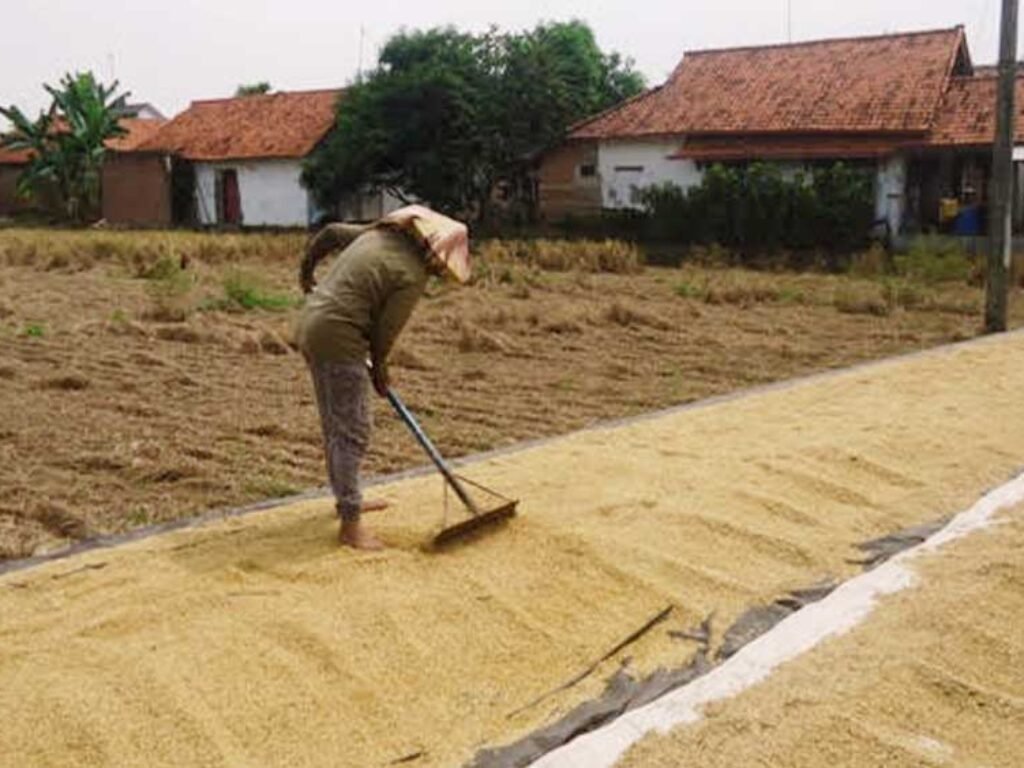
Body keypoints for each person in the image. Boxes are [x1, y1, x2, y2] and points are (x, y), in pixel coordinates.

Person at [295, 206, 471, 550]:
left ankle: (350, 499)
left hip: (313, 324)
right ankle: (350, 525)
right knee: (352, 430)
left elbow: (330, 232)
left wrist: (306, 273)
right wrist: (381, 371)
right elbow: (384, 334)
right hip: (339, 337)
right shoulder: (412, 274)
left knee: (338, 426)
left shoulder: (376, 235)